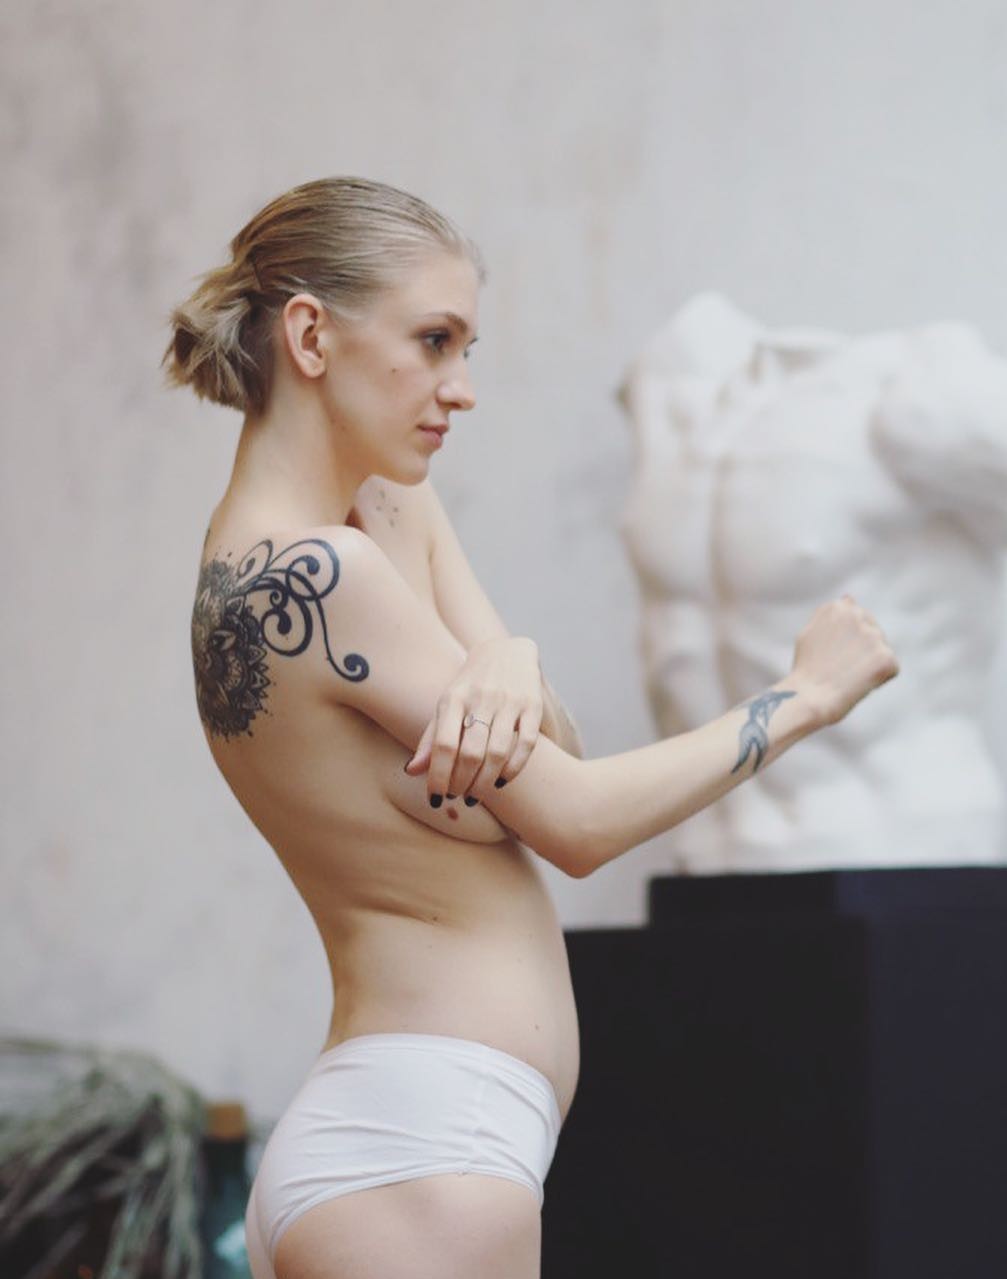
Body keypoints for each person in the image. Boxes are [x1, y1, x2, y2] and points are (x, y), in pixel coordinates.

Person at [162, 175, 899, 1279]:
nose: (461, 389)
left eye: (467, 348)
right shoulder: (320, 574)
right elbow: (578, 820)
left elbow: (552, 747)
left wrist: (511, 658)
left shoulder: (385, 507)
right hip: (422, 1154)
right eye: (434, 340)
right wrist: (806, 696)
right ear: (310, 336)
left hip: (418, 1140)